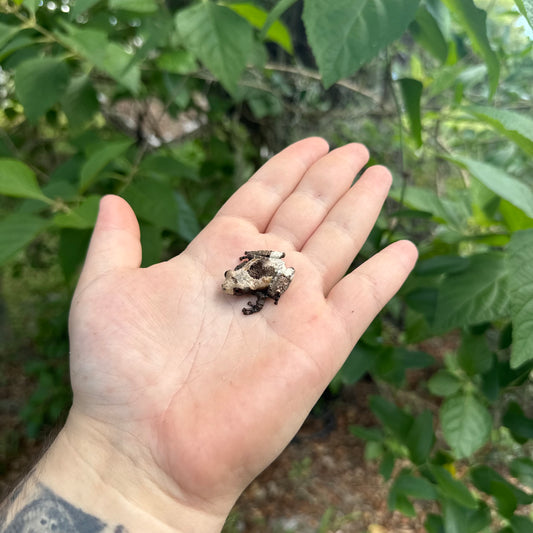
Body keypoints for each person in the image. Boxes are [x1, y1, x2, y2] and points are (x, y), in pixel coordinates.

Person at [0, 138, 417, 532]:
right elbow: (243, 273)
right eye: (230, 285)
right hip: (259, 264)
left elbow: (270, 275)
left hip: (273, 271)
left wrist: (259, 296)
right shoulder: (233, 278)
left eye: (233, 289)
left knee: (278, 274)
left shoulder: (255, 284)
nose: (228, 290)